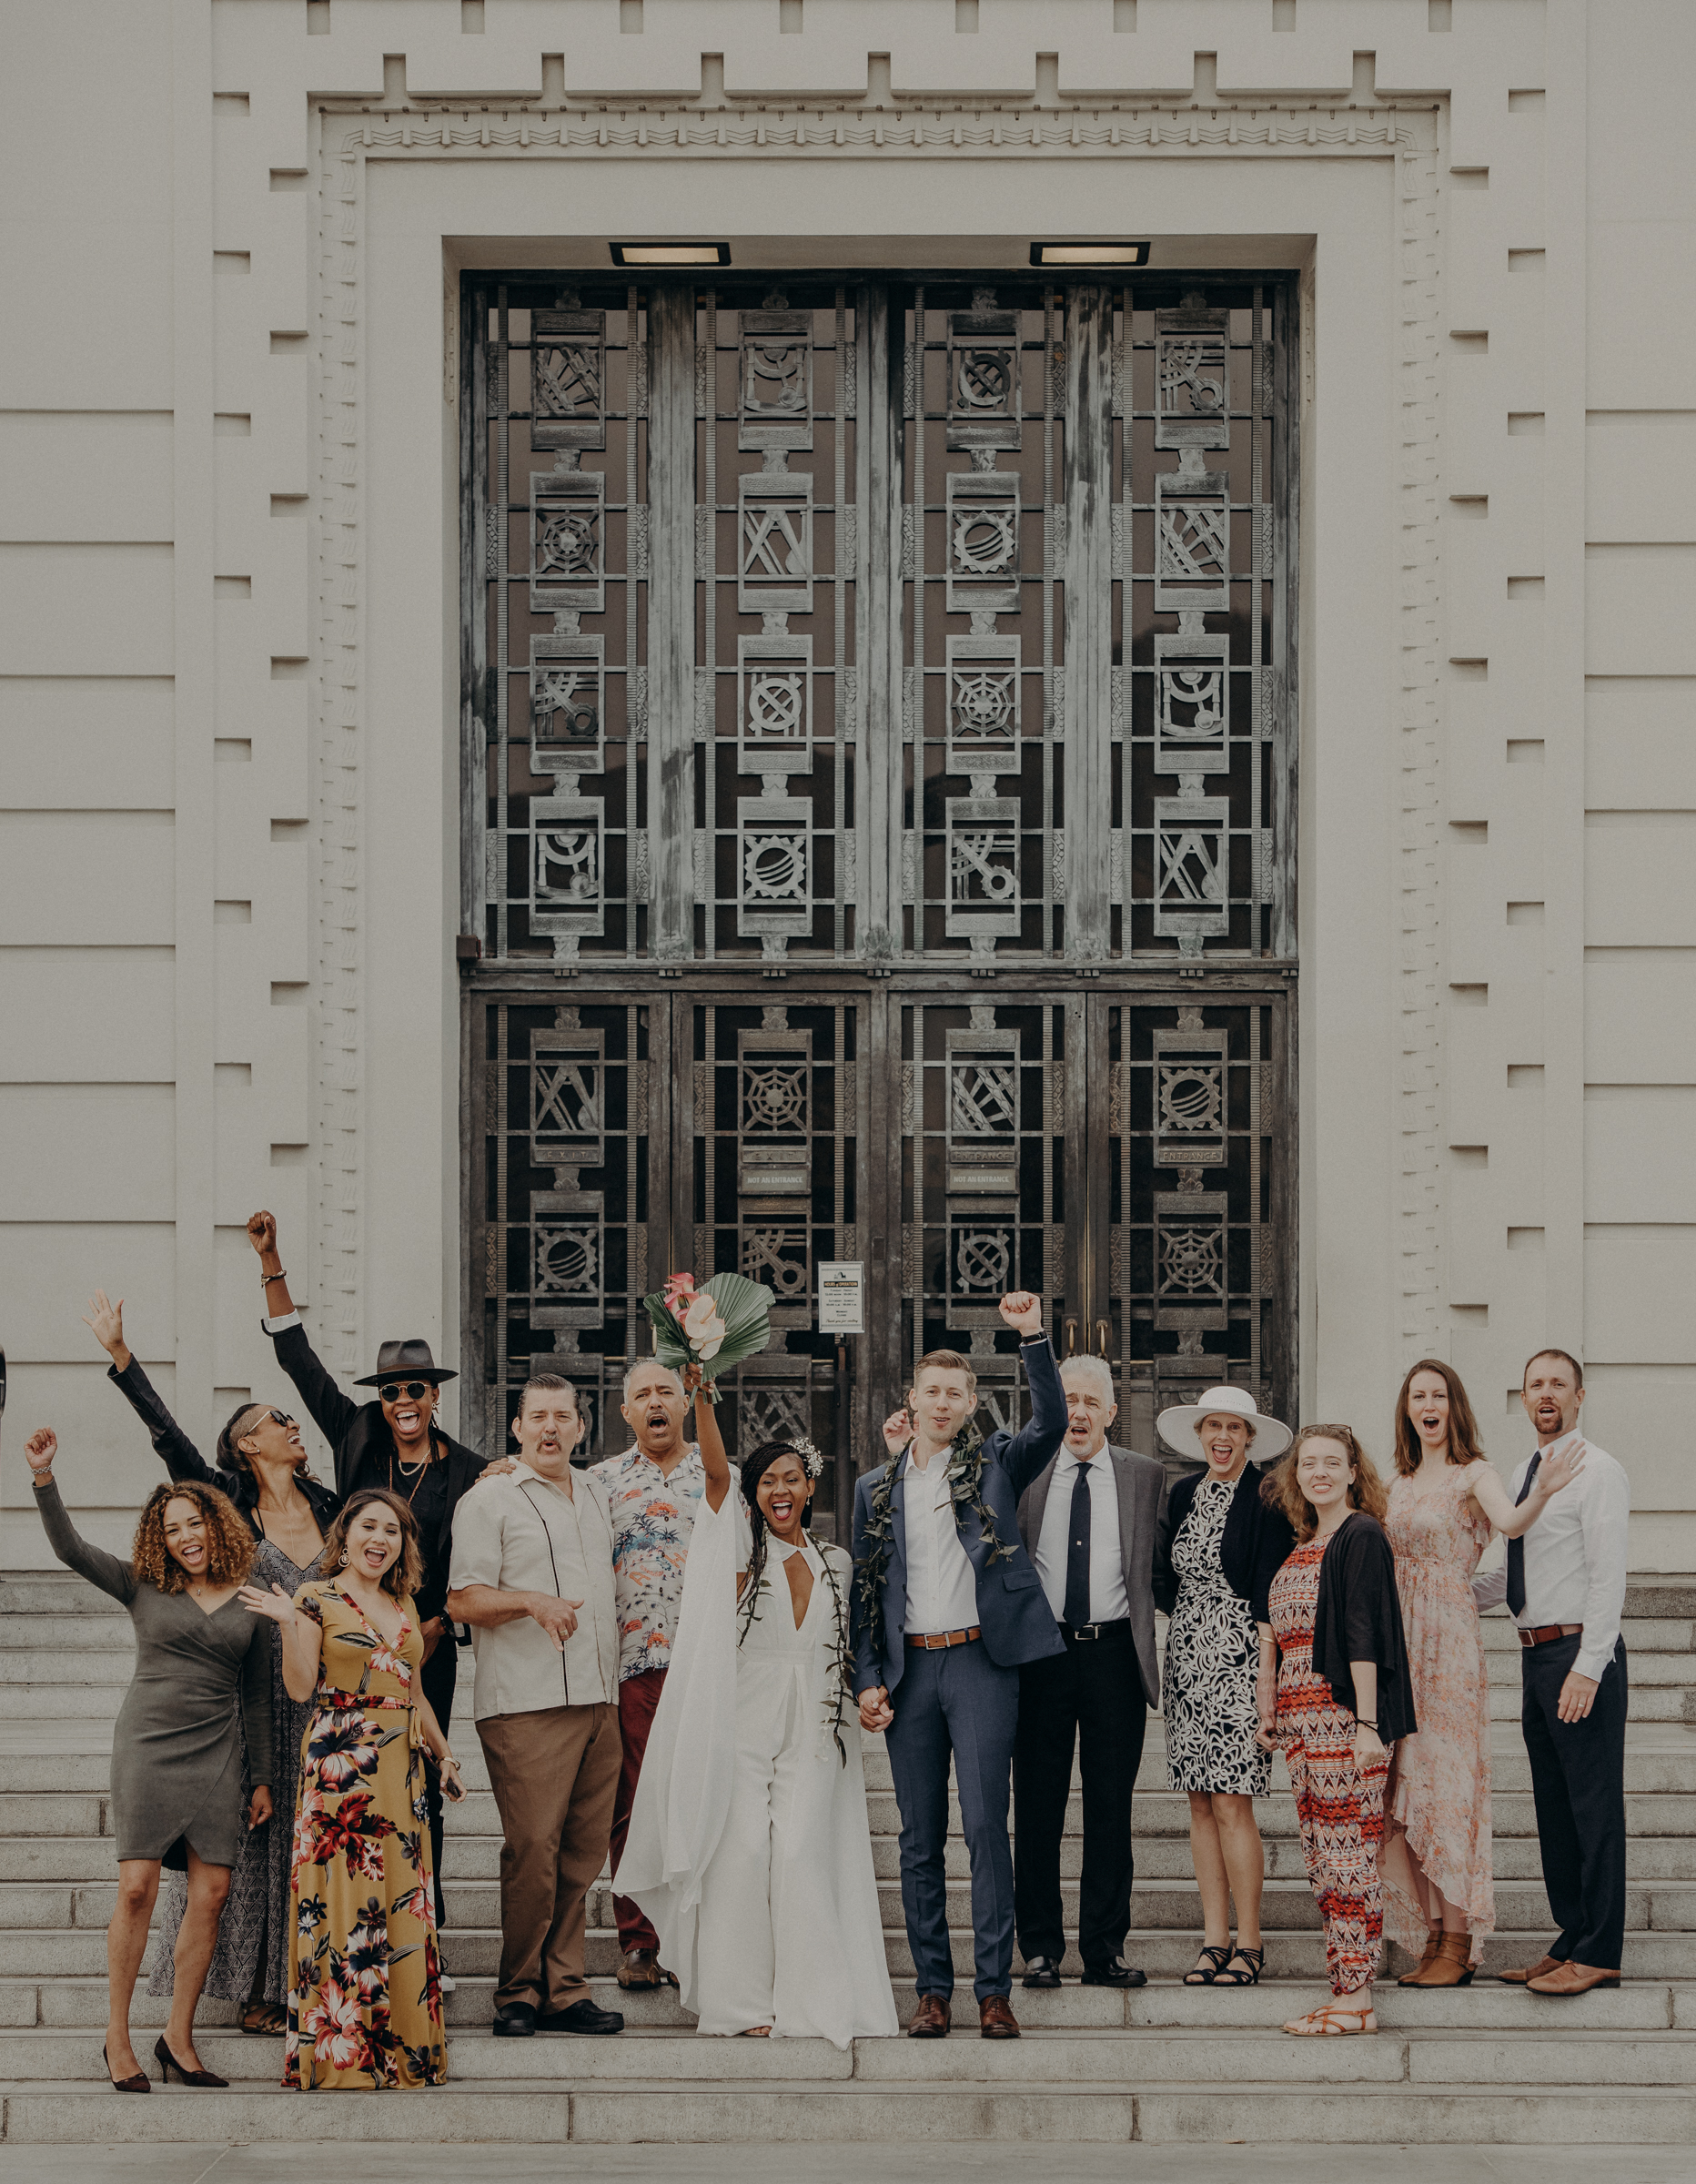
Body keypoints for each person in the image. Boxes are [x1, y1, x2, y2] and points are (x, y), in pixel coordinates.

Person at [84, 1288, 338, 2036]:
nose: (294, 1425)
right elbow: (171, 1443)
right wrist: (124, 1359)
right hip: (248, 1700)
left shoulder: (333, 1504)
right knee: (251, 1858)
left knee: (308, 1842)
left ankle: (305, 1982)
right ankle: (252, 1988)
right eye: (276, 1420)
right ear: (246, 1445)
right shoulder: (226, 1506)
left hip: (317, 1693)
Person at [621, 1374, 898, 2045]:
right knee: (743, 1854)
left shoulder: (836, 1561)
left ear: (810, 1488)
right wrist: (704, 1393)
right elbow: (715, 1471)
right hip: (744, 1724)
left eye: (792, 1478)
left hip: (816, 1725)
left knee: (803, 1852)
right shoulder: (739, 1555)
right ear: (753, 1495)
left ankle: (812, 1998)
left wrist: (869, 1693)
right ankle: (744, 2004)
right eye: (768, 1480)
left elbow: (853, 1644)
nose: (780, 1490)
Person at [245, 1208, 485, 1960]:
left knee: (421, 1776)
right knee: (347, 1784)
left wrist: (438, 1627)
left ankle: (425, 1926)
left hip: (425, 1644)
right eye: (392, 1391)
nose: (403, 1401)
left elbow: (471, 1566)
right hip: (346, 1642)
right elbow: (297, 1358)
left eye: (415, 1388)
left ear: (434, 1393)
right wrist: (273, 1260)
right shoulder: (356, 1434)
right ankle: (353, 1925)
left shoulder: (470, 1470)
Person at [24, 1428, 273, 2092]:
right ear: (157, 1539)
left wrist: (266, 1777)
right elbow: (71, 1549)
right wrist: (45, 1478)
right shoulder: (141, 1585)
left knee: (211, 1894)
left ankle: (180, 2039)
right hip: (148, 1746)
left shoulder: (252, 1598)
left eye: (194, 1523)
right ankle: (116, 2037)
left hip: (221, 1751)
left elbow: (254, 1696)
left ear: (216, 1526)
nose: (185, 1537)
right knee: (136, 1888)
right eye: (171, 1529)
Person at [850, 1292, 1068, 2041]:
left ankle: (994, 1990)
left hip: (979, 1664)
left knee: (983, 1827)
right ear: (910, 1399)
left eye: (956, 1393)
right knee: (918, 1839)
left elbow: (1053, 1424)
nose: (942, 1403)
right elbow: (867, 1590)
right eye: (930, 1391)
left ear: (972, 1403)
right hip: (911, 1675)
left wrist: (1032, 1336)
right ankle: (933, 1991)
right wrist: (867, 1675)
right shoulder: (875, 1489)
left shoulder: (998, 1463)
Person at [240, 1489, 459, 2089]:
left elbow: (413, 1691)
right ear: (346, 1535)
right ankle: (346, 2054)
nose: (380, 1538)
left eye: (392, 1530)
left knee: (401, 1900)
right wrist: (290, 1624)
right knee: (347, 1902)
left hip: (403, 1771)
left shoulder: (406, 1603)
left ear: (402, 1545)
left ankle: (405, 2051)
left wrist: (445, 1756)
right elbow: (298, 1685)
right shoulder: (317, 1597)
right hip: (344, 1765)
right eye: (369, 1526)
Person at [1381, 1358, 1587, 1987]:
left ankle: (1459, 1940)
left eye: (1438, 1393)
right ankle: (1433, 1938)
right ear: (1408, 1409)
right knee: (1406, 1789)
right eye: (1418, 1395)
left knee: (1447, 1787)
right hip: (1402, 1643)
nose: (1428, 1404)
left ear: (1454, 1404)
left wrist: (1544, 1489)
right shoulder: (1399, 1481)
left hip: (1449, 1645)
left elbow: (1511, 1522)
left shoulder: (1477, 1474)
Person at [445, 1374, 624, 2038]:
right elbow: (461, 1599)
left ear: (582, 1427)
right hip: (527, 1703)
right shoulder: (489, 1498)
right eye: (537, 1417)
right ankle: (517, 1991)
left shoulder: (598, 1494)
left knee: (580, 1854)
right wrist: (530, 1601)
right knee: (533, 1848)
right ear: (516, 1428)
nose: (551, 1428)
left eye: (564, 1417)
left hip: (597, 1697)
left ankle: (565, 1988)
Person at [1472, 1350, 1630, 1997]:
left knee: (1593, 1809)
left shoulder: (1600, 1471)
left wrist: (1589, 1668)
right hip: (1534, 1654)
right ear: (1524, 1397)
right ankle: (1571, 1936)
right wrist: (1438, 1590)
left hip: (1578, 1654)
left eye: (1558, 1385)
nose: (1546, 1394)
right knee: (1555, 1810)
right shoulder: (1522, 1473)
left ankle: (1600, 1952)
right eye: (1536, 1384)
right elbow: (1509, 1572)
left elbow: (1607, 1576)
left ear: (1579, 1397)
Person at [1012, 1355, 1166, 1991]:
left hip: (1113, 1657)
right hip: (1042, 1655)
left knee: (1110, 1807)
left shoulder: (1145, 1476)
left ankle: (1104, 1948)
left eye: (1088, 1400)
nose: (1076, 1411)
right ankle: (1041, 1948)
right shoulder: (1024, 1470)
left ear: (1110, 1411)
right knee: (1039, 1807)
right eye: (1066, 1398)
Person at [1261, 1425, 1418, 2037]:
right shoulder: (1305, 1539)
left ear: (1355, 1472)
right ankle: (1345, 1990)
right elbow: (1282, 1631)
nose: (1319, 1472)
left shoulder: (1360, 1533)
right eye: (1308, 1463)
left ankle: (1358, 1998)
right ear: (1296, 1473)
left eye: (1333, 1462)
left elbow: (1363, 1631)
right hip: (1303, 1724)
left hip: (1342, 1719)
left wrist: (1369, 1724)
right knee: (1325, 1861)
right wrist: (1271, 1704)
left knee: (1350, 1857)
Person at [1151, 1384, 1295, 1989]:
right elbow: (1163, 1572)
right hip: (1186, 1659)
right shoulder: (1183, 1492)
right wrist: (1186, 1627)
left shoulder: (1267, 1496)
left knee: (1234, 1802)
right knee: (1200, 1803)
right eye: (1213, 1426)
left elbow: (1269, 1581)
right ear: (1199, 1434)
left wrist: (1268, 1671)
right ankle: (1213, 1940)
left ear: (1250, 1438)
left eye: (1234, 1428)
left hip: (1240, 1656)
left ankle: (1250, 1942)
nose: (1222, 1437)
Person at [589, 1358, 705, 1989]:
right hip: (631, 1665)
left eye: (666, 1391)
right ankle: (639, 1943)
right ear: (625, 1411)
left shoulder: (720, 1477)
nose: (655, 1402)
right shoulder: (598, 1483)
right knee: (630, 1804)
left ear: (685, 1402)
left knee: (701, 1799)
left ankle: (700, 1937)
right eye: (642, 1395)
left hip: (704, 1667)